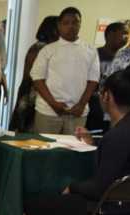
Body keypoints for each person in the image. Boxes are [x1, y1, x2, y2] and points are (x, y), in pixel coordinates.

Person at [24, 64, 130, 215]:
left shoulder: (117, 137)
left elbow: (99, 189)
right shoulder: (125, 129)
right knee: (59, 203)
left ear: (107, 96)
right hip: (129, 212)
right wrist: (95, 142)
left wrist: (72, 187)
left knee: (35, 203)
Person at [31, 7, 99, 135]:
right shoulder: (48, 50)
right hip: (48, 111)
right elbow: (37, 79)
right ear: (59, 25)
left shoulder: (90, 50)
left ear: (80, 24)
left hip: (78, 112)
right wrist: (53, 104)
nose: (71, 26)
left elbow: (93, 80)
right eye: (66, 23)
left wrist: (81, 104)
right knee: (45, 151)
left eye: (75, 22)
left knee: (73, 151)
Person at [10, 15, 59, 132]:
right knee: (28, 131)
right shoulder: (40, 48)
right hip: (33, 94)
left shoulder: (52, 48)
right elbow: (32, 76)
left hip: (40, 95)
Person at [87, 22, 128, 132]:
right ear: (111, 34)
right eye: (124, 33)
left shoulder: (125, 57)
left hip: (116, 108)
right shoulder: (93, 54)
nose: (126, 37)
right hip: (94, 107)